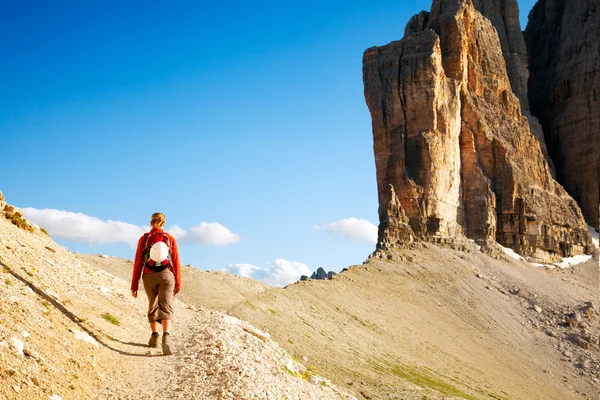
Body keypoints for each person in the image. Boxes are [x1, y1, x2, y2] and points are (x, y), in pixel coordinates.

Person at [131, 212, 181, 355]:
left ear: (151, 223)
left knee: (152, 304)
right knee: (166, 305)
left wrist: (134, 285)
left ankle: (154, 337)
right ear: (163, 223)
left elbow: (138, 262)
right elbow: (176, 261)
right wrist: (178, 282)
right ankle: (166, 337)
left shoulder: (144, 239)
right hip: (167, 275)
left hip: (149, 275)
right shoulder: (169, 239)